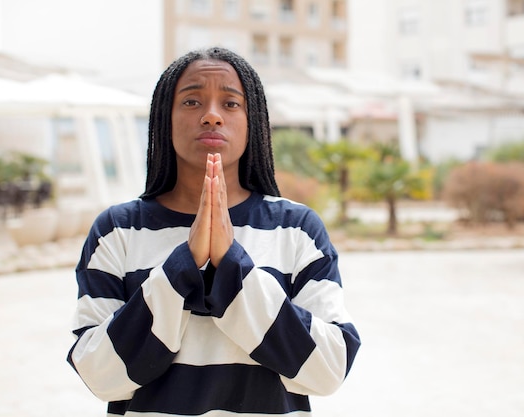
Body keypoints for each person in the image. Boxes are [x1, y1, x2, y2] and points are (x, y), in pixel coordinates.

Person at [67, 47, 360, 417]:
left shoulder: (297, 229)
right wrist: (181, 268)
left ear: (253, 121)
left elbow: (329, 369)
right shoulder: (117, 230)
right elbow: (100, 377)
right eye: (191, 101)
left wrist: (232, 267)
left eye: (231, 103)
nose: (211, 116)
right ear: (164, 119)